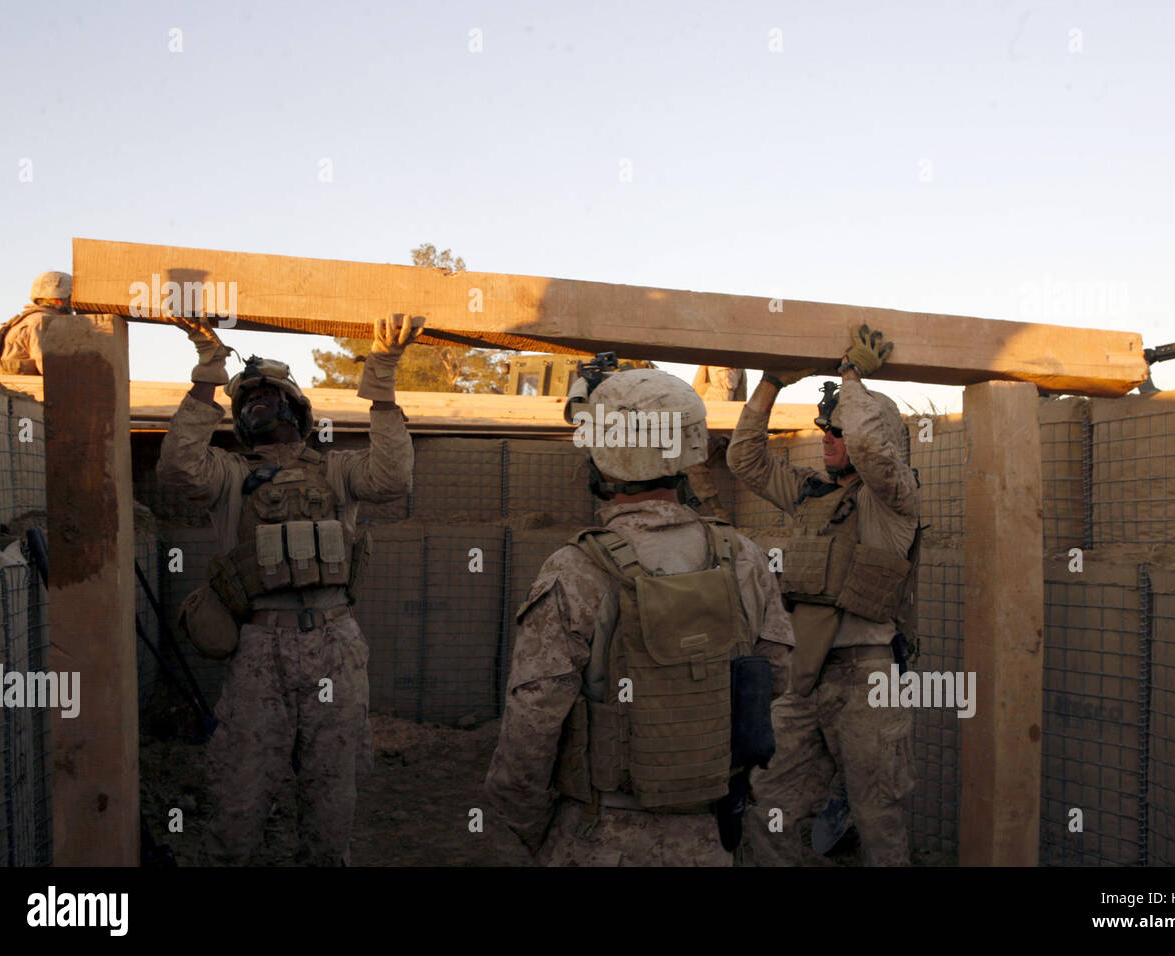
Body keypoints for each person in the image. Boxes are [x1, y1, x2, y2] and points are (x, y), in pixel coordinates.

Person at [484, 365, 794, 865]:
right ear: (687, 449)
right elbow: (776, 678)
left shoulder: (575, 568)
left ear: (603, 461)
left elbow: (532, 723)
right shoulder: (744, 556)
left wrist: (528, 827)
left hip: (599, 836)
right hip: (711, 835)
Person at [156, 313, 419, 865]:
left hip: (334, 646)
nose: (255, 401)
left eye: (268, 394)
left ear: (296, 410)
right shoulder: (227, 475)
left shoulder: (338, 471)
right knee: (239, 798)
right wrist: (208, 371)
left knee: (330, 800)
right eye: (246, 397)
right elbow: (179, 470)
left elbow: (393, 478)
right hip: (261, 652)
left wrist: (383, 381)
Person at [727, 326, 921, 866]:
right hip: (802, 679)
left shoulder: (894, 498)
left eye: (834, 429)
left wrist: (852, 378)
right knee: (772, 806)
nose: (826, 437)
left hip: (866, 680)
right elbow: (744, 460)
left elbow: (870, 449)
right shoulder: (813, 494)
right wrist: (769, 385)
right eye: (822, 428)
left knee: (877, 815)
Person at [685, 366, 748, 522]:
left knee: (691, 462)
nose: (727, 375)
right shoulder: (705, 390)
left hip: (720, 437)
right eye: (722, 371)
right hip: (704, 436)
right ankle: (713, 512)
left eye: (732, 370)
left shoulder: (730, 387)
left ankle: (716, 513)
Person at [0, 272, 73, 374]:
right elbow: (49, 370)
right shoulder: (43, 322)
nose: (73, 304)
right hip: (27, 388)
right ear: (59, 301)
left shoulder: (28, 320)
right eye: (70, 299)